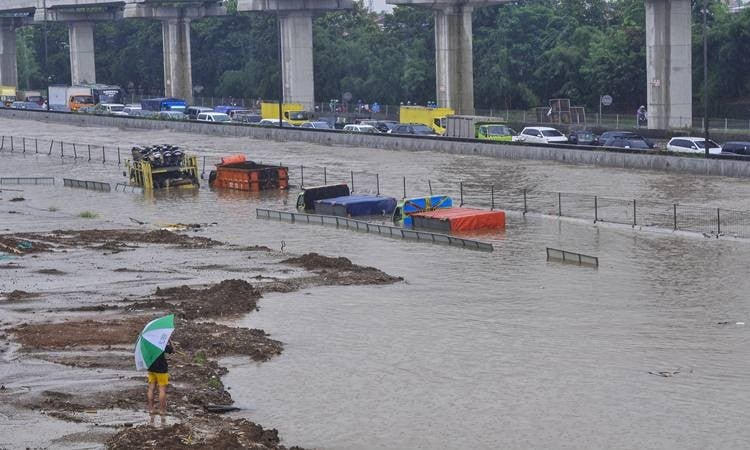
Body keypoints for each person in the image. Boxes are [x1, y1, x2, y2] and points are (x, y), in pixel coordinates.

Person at [147, 340, 174, 416]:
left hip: (151, 368)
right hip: (161, 369)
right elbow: (172, 350)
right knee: (162, 389)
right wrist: (170, 341)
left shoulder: (148, 344)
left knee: (151, 388)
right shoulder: (161, 344)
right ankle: (162, 410)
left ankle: (151, 409)